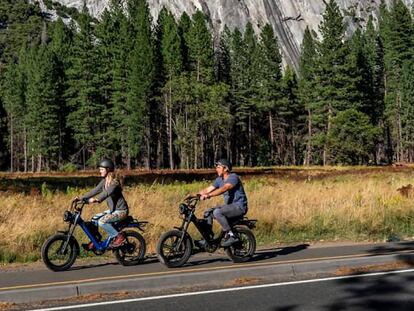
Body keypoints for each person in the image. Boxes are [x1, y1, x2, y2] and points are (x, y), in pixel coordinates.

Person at [192, 159, 248, 247]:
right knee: (208, 212)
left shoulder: (233, 177)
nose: (216, 169)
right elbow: (207, 189)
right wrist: (193, 195)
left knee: (217, 212)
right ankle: (207, 238)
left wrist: (208, 195)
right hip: (230, 207)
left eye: (218, 167)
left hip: (239, 206)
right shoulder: (219, 180)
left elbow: (224, 188)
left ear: (225, 169)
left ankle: (231, 235)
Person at [76, 159, 128, 249]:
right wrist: (81, 198)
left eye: (101, 169)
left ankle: (119, 236)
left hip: (121, 211)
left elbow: (107, 193)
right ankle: (95, 240)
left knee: (102, 221)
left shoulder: (114, 183)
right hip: (113, 210)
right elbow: (95, 190)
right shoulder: (104, 182)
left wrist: (97, 199)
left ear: (108, 170)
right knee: (94, 219)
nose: (100, 171)